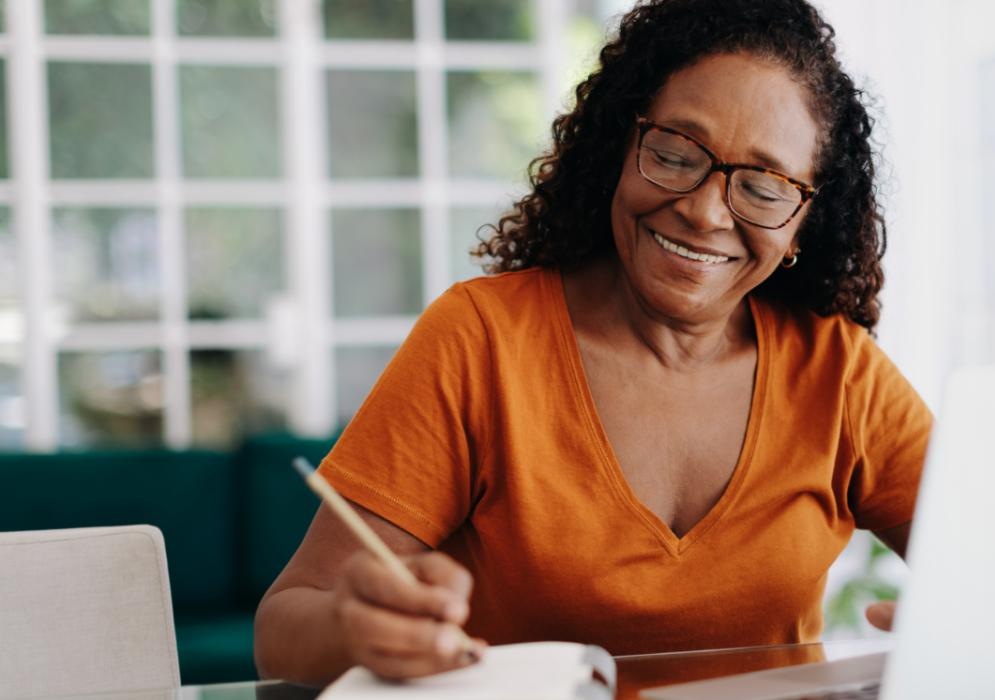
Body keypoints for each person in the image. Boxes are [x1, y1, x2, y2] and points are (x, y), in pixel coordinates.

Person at [252, 0, 930, 685]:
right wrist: (353, 628)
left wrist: (975, 617)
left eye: (762, 187)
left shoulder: (840, 375)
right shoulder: (480, 341)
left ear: (804, 224)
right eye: (674, 154)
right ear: (620, 146)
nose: (703, 210)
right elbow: (284, 625)